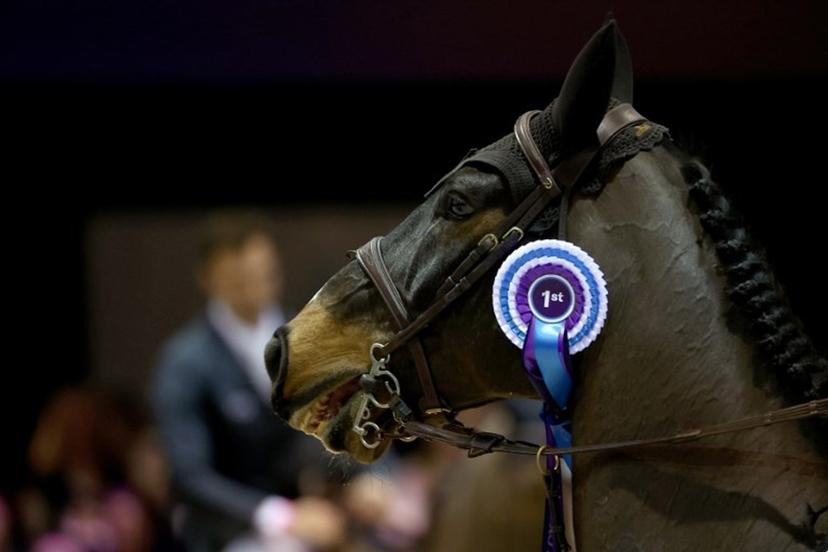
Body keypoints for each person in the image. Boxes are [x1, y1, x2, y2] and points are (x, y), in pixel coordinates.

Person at [151, 211, 345, 552]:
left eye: (264, 274)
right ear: (209, 278)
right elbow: (190, 475)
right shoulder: (185, 361)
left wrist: (373, 483)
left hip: (317, 506)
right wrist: (281, 516)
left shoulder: (303, 338)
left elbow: (342, 413)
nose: (255, 286)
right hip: (232, 527)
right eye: (240, 278)